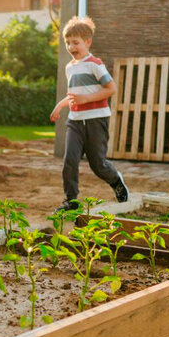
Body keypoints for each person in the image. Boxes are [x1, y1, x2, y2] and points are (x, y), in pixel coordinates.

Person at [49, 16, 130, 213]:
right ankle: (71, 201)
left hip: (96, 120)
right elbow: (74, 96)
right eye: (68, 42)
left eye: (75, 42)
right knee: (70, 160)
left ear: (88, 42)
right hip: (74, 122)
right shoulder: (70, 68)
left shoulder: (95, 64)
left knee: (98, 164)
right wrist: (60, 106)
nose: (71, 47)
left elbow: (111, 89)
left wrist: (87, 99)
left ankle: (116, 181)